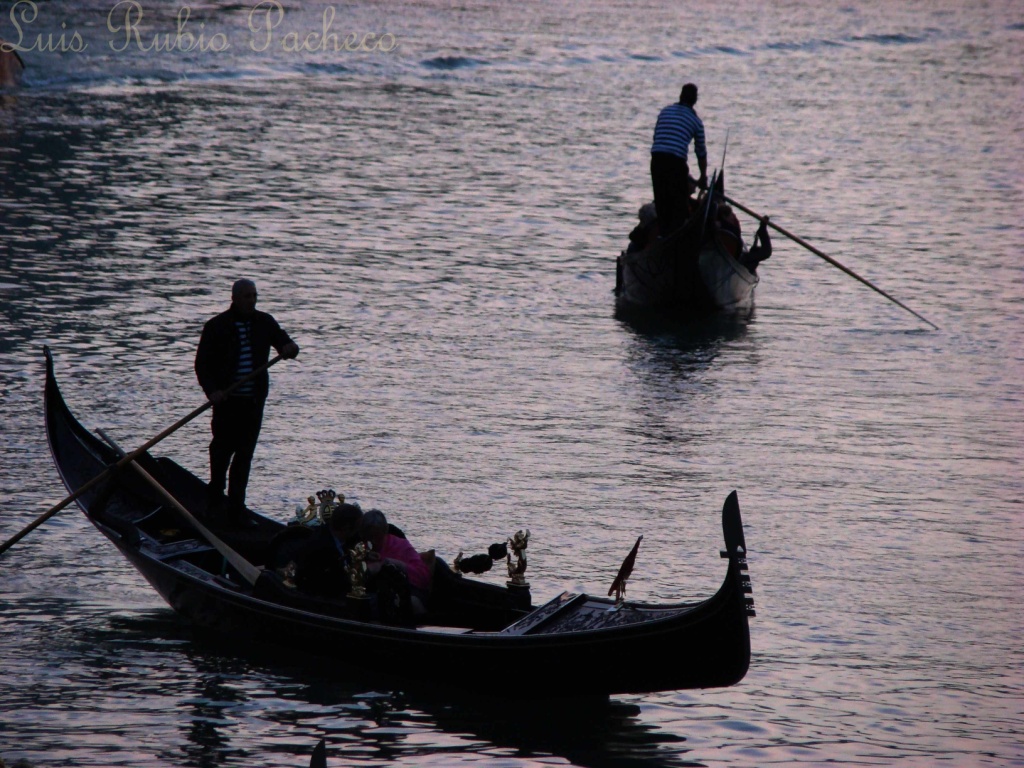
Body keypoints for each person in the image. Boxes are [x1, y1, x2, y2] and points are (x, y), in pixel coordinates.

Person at [195, 279, 299, 525]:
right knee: (221, 453)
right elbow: (202, 365)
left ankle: (236, 510)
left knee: (244, 456)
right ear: (235, 298)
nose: (251, 301)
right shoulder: (216, 326)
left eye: (254, 296)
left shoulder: (265, 322)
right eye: (246, 296)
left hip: (253, 403)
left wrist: (290, 347)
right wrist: (212, 392)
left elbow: (284, 342)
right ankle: (214, 503)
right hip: (227, 402)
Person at [650, 82, 708, 233]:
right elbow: (701, 153)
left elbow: (656, 137)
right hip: (675, 161)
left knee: (662, 200)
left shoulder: (665, 111)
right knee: (678, 204)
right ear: (695, 100)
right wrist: (703, 177)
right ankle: (675, 233)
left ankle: (663, 235)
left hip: (656, 158)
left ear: (680, 96)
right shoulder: (696, 122)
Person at [289, 502, 364, 597]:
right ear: (346, 528)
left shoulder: (339, 536)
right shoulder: (321, 548)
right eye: (358, 528)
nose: (359, 532)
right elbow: (338, 582)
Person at [358, 509, 432, 603]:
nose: (373, 541)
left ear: (385, 533)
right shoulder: (359, 548)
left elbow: (424, 576)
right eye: (369, 537)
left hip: (406, 592)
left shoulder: (401, 546)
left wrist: (396, 564)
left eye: (377, 536)